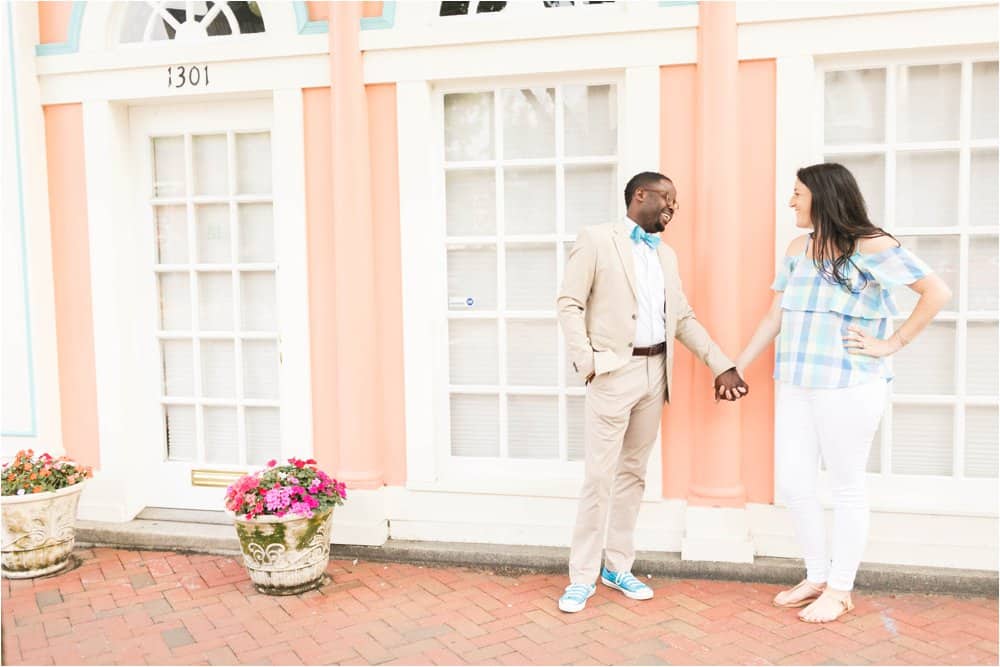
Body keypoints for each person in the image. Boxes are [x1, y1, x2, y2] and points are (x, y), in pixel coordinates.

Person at [735, 163, 951, 623]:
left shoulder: (872, 246)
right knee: (795, 483)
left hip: (849, 385)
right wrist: (738, 364)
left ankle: (840, 587)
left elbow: (936, 292)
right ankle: (816, 575)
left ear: (822, 195)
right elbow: (775, 316)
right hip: (796, 381)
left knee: (846, 485)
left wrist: (891, 344)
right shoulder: (798, 248)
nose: (790, 201)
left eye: (796, 193)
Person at [556, 171, 748, 613]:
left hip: (656, 372)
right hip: (612, 372)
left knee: (633, 476)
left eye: (675, 202)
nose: (673, 208)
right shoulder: (597, 239)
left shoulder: (668, 256)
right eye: (667, 198)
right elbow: (569, 302)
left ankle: (617, 566)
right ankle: (582, 576)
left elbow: (683, 318)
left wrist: (724, 365)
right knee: (599, 478)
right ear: (640, 195)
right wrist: (587, 360)